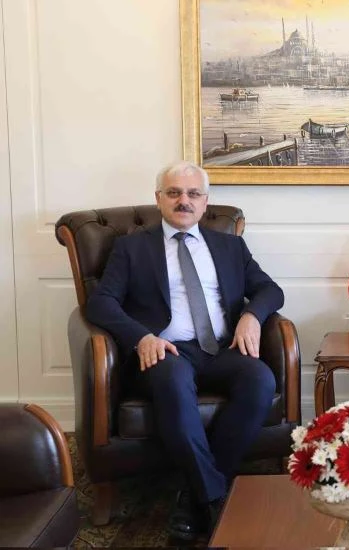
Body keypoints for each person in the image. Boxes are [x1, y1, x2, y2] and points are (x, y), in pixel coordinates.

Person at [85, 161, 284, 542]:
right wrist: (142, 337)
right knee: (174, 383)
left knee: (260, 380)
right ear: (158, 198)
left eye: (193, 194)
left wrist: (252, 316)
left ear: (205, 202)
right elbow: (101, 303)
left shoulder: (230, 246)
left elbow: (270, 290)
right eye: (174, 193)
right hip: (166, 351)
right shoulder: (131, 248)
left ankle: (194, 496)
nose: (184, 201)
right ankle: (212, 499)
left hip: (221, 348)